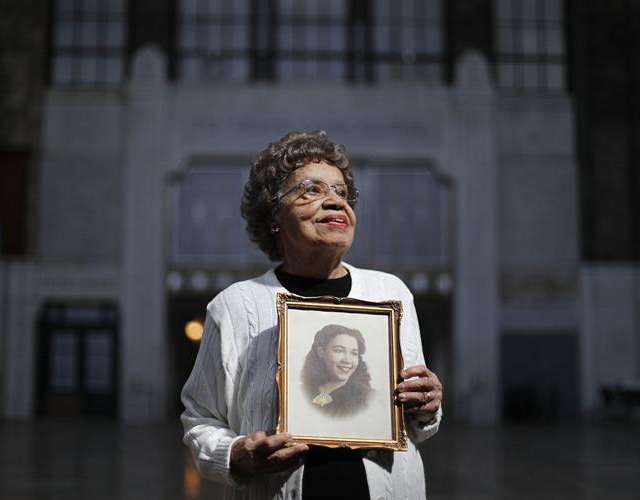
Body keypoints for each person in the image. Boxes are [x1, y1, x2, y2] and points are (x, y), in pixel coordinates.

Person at [180, 130, 443, 500]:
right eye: (312, 190)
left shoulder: (391, 293)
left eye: (341, 193)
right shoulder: (236, 305)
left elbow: (415, 425)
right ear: (274, 215)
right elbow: (200, 419)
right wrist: (239, 455)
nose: (336, 203)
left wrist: (427, 406)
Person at [300, 324, 373, 417]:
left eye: (354, 353)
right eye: (339, 350)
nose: (347, 360)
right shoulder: (301, 392)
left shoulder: (368, 398)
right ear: (321, 351)